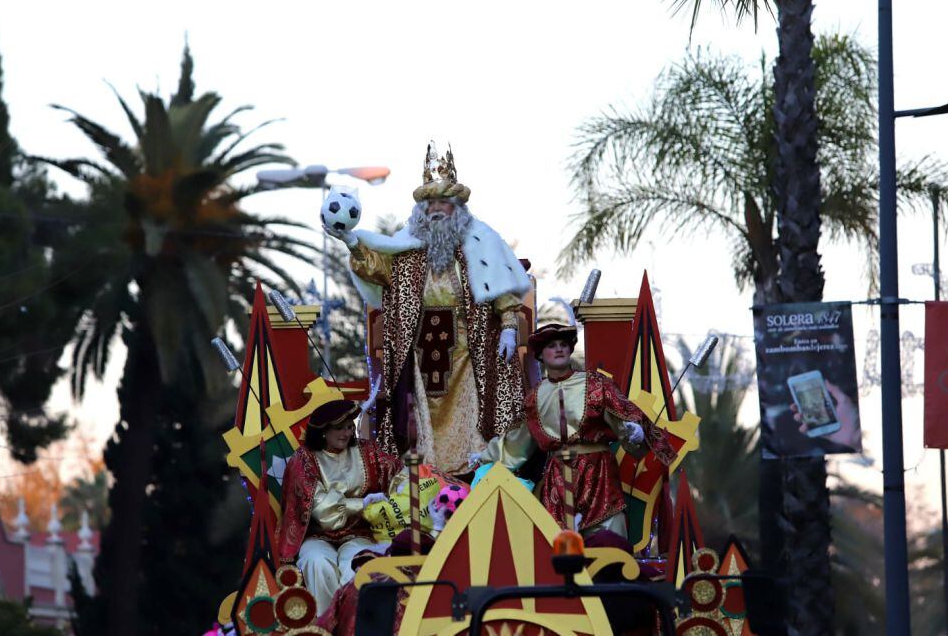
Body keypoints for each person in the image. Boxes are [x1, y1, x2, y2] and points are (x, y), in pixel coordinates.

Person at [326, 142, 532, 474]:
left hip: (467, 352)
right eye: (430, 203)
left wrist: (509, 326)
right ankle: (429, 477)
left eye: (442, 202)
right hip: (420, 352)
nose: (436, 208)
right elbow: (378, 270)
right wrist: (353, 243)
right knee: (420, 421)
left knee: (472, 416)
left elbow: (500, 286)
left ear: (457, 207)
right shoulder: (405, 246)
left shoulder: (480, 243)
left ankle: (472, 474)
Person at [473, 323, 677, 538]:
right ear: (541, 354)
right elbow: (518, 441)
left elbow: (625, 415)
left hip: (599, 475)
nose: (559, 349)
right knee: (558, 545)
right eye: (551, 346)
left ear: (570, 349)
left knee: (609, 539)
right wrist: (485, 456)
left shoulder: (597, 384)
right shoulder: (534, 398)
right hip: (558, 481)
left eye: (563, 344)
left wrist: (636, 432)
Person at [275, 400, 401, 611]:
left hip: (359, 533)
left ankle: (353, 623)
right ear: (324, 431)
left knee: (359, 565)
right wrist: (362, 503)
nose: (347, 433)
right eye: (340, 428)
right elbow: (323, 509)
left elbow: (397, 472)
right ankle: (326, 623)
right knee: (318, 564)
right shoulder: (303, 460)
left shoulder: (367, 450)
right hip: (317, 536)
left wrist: (411, 482)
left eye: (350, 427)